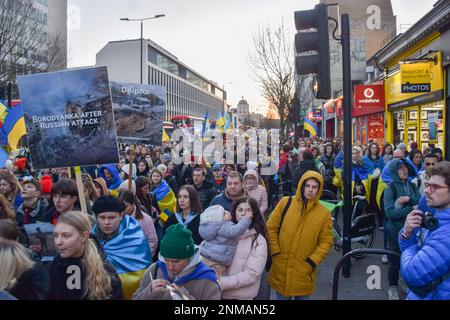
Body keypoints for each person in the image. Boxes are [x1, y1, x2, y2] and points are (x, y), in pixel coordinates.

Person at [266, 171, 333, 300]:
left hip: (304, 270)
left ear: (319, 190)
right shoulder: (285, 203)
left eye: (314, 187)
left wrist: (312, 261)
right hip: (281, 266)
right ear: (302, 186)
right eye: (308, 186)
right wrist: (275, 250)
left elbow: (326, 242)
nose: (310, 190)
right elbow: (271, 227)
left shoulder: (324, 213)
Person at [399, 161, 450, 300]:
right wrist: (407, 233)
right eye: (428, 185)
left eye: (435, 187)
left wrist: (411, 246)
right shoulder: (437, 219)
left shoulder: (446, 235)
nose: (427, 191)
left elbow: (412, 273)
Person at [132, 224, 221, 300]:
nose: (170, 267)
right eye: (166, 260)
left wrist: (185, 297)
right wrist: (149, 291)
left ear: (189, 257)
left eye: (176, 261)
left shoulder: (208, 280)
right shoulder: (154, 270)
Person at [48, 211, 123, 300]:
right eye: (56, 236)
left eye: (66, 236)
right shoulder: (51, 269)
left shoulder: (106, 272)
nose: (58, 242)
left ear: (84, 236)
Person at [92, 196, 151, 299]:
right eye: (102, 218)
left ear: (121, 215)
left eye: (111, 218)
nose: (106, 222)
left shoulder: (134, 237)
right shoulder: (91, 237)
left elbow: (142, 273)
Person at [383, 158, 421, 300]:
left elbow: (419, 200)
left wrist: (406, 200)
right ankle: (392, 286)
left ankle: (404, 280)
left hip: (412, 230)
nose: (404, 170)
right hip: (395, 231)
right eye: (400, 168)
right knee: (395, 261)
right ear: (394, 171)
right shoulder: (390, 188)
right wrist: (410, 208)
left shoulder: (412, 185)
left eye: (405, 167)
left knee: (410, 258)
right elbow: (390, 213)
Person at [219, 197, 268, 300]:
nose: (243, 214)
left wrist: (221, 282)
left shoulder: (258, 240)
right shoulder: (225, 233)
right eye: (240, 210)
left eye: (248, 210)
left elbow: (252, 274)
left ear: (254, 214)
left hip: (241, 296)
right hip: (219, 293)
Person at [198, 204, 251, 277]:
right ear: (218, 219)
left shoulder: (211, 228)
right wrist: (246, 220)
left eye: (225, 211)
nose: (227, 212)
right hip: (218, 259)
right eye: (224, 214)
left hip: (205, 255)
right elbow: (235, 231)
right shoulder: (223, 226)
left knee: (203, 274)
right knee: (219, 278)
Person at [119, 190, 158, 258]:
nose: (122, 209)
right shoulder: (115, 218)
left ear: (133, 203)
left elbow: (152, 242)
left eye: (125, 206)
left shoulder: (146, 219)